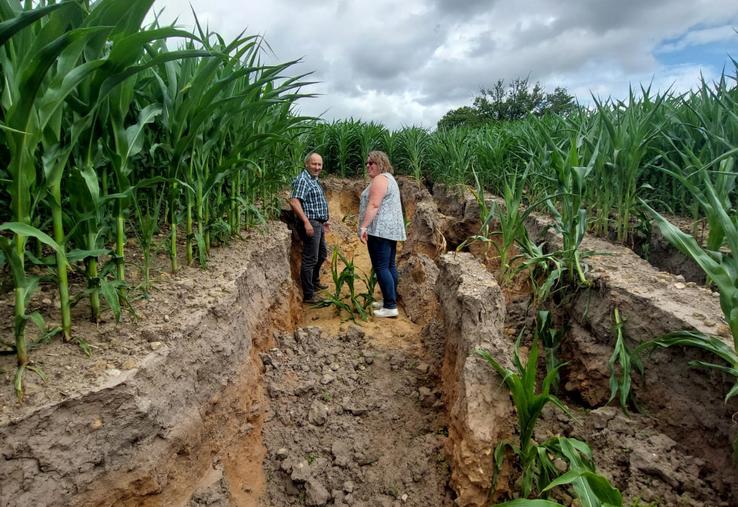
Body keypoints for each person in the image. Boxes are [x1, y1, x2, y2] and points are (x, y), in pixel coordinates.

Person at [358, 151, 406, 318]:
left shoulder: (380, 179)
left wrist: (363, 227)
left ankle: (390, 306)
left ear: (381, 163)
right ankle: (389, 300)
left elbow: (374, 204)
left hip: (380, 231)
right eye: (367, 163)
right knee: (389, 266)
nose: (368, 166)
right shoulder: (389, 179)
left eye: (372, 163)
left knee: (381, 267)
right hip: (389, 231)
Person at [290, 152, 330, 304]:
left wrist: (324, 221)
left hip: (318, 223)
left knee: (321, 254)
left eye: (319, 164)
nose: (317, 167)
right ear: (306, 164)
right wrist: (306, 222)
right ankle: (309, 294)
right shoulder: (303, 179)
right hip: (311, 223)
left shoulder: (313, 179)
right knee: (310, 258)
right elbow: (294, 201)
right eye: (314, 164)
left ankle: (314, 281)